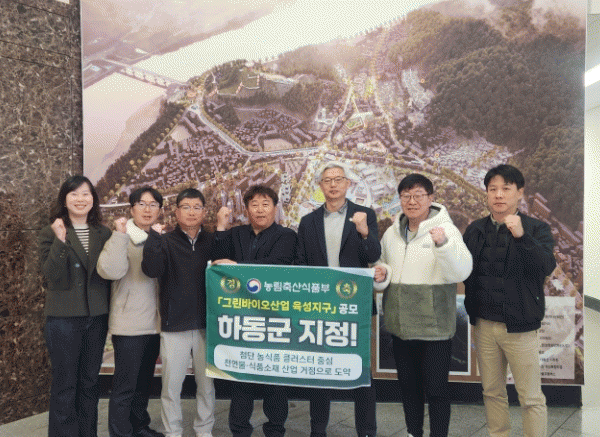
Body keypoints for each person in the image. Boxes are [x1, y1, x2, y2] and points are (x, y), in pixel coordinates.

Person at [374, 174, 472, 437]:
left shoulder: (446, 230)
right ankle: (413, 432)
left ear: (431, 198)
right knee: (409, 388)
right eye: (406, 196)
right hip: (401, 326)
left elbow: (461, 272)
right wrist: (381, 274)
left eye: (418, 195)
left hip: (434, 328)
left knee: (437, 390)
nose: (412, 201)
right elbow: (384, 265)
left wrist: (443, 245)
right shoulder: (392, 233)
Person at [463, 164, 556, 437]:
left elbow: (545, 266)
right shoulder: (475, 229)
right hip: (484, 325)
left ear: (520, 193)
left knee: (531, 397)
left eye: (506, 188)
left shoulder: (537, 228)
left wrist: (521, 236)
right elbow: (463, 269)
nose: (499, 195)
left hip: (520, 328)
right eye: (493, 189)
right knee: (492, 392)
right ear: (487, 194)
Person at [296, 163, 381, 437]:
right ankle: (317, 429)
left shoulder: (364, 214)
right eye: (327, 180)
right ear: (320, 186)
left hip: (354, 305)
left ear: (347, 184)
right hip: (320, 305)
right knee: (320, 371)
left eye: (338, 179)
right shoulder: (308, 222)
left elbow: (373, 254)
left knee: (361, 371)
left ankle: (366, 431)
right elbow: (301, 263)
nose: (333, 184)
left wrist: (364, 231)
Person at [212, 185, 298, 437]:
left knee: (275, 380)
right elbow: (218, 263)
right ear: (247, 209)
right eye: (254, 205)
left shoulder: (287, 236)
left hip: (274, 319)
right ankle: (239, 430)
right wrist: (220, 228)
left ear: (275, 208)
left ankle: (275, 429)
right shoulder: (236, 234)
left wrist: (237, 265)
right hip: (243, 318)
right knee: (242, 379)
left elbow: (276, 265)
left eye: (265, 204)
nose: (260, 210)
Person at [39, 175, 112, 437]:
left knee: (90, 382)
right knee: (65, 384)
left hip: (96, 317)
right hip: (63, 319)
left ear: (93, 199)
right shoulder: (51, 232)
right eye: (74, 194)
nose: (80, 199)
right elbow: (51, 275)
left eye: (86, 194)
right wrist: (60, 239)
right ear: (64, 200)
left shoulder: (104, 233)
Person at [141, 188, 215, 437]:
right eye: (186, 207)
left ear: (204, 212)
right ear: (176, 212)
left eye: (197, 207)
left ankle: (204, 429)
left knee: (206, 385)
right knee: (171, 386)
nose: (191, 212)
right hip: (174, 325)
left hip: (207, 325)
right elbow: (151, 270)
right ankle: (172, 431)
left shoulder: (213, 242)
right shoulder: (165, 242)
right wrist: (153, 238)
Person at [97, 187, 165, 437]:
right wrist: (119, 235)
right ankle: (120, 432)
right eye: (141, 204)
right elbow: (109, 271)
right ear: (132, 208)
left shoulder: (159, 238)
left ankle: (139, 426)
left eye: (153, 204)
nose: (147, 209)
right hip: (129, 325)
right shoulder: (122, 237)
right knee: (125, 385)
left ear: (159, 210)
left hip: (154, 324)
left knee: (144, 383)